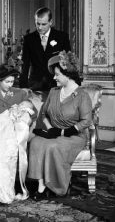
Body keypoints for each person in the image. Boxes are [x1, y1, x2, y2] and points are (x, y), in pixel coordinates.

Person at [27, 50, 92, 201]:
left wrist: (64, 132)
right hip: (53, 132)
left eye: (57, 74)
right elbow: (43, 113)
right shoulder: (54, 91)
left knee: (52, 146)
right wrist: (50, 128)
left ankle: (59, 185)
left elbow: (86, 121)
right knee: (36, 142)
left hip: (74, 136)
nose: (54, 77)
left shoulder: (82, 95)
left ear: (67, 74)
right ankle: (41, 186)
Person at [19, 7, 71, 91]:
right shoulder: (28, 39)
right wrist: (23, 88)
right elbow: (25, 65)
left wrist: (68, 85)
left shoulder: (62, 37)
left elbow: (68, 63)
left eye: (43, 24)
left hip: (55, 84)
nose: (40, 27)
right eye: (37, 24)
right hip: (35, 84)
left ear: (51, 22)